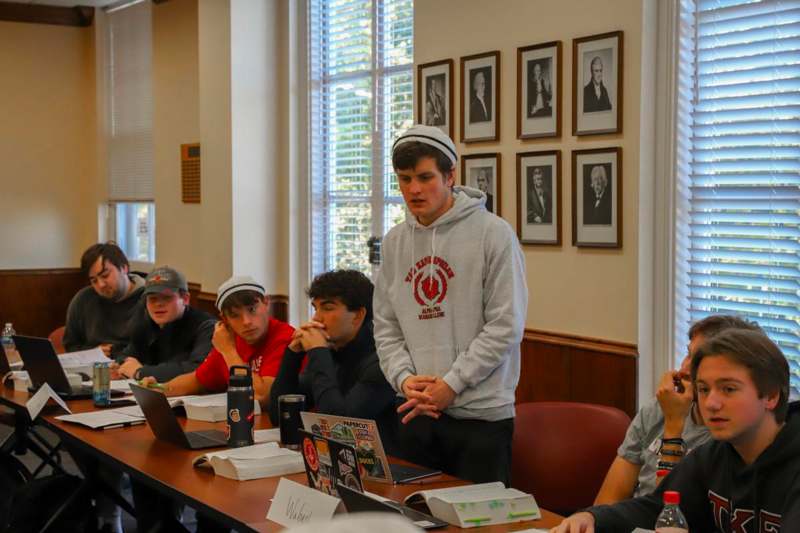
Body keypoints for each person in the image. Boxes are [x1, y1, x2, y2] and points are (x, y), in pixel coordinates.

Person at [375, 124, 527, 485]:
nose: (414, 189)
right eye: (405, 178)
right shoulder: (395, 242)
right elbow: (386, 326)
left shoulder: (494, 233)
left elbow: (506, 325)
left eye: (426, 177)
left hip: (481, 418)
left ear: (451, 175)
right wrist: (404, 378)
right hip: (415, 412)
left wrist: (452, 384)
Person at [551, 328, 800, 533]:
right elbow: (655, 507)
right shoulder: (712, 456)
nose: (711, 403)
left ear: (771, 396)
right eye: (703, 389)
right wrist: (591, 518)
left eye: (728, 389)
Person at [594, 315, 761, 505]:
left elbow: (669, 510)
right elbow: (608, 501)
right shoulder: (659, 408)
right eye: (688, 354)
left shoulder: (728, 432)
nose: (684, 368)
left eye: (699, 360)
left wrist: (673, 425)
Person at [269, 270, 397, 450]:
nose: (316, 318)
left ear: (358, 315)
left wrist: (318, 351)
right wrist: (293, 354)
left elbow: (338, 428)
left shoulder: (384, 359)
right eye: (315, 308)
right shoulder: (334, 349)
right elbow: (280, 416)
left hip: (396, 466)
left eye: (327, 308)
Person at [141, 275, 294, 407]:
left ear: (266, 303)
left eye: (252, 309)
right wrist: (160, 388)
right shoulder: (231, 339)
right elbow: (196, 380)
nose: (246, 321)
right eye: (235, 315)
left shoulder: (285, 337)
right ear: (225, 320)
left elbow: (262, 397)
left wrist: (228, 351)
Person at [113, 266, 215, 382]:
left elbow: (199, 369)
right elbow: (126, 355)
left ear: (185, 299)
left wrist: (140, 372)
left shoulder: (206, 326)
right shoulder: (146, 323)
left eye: (166, 297)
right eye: (152, 299)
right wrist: (120, 367)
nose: (158, 304)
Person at [63, 242, 145, 357]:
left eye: (105, 275)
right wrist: (93, 353)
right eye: (94, 280)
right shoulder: (83, 299)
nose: (100, 285)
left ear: (124, 268)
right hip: (94, 368)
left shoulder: (149, 298)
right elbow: (71, 346)